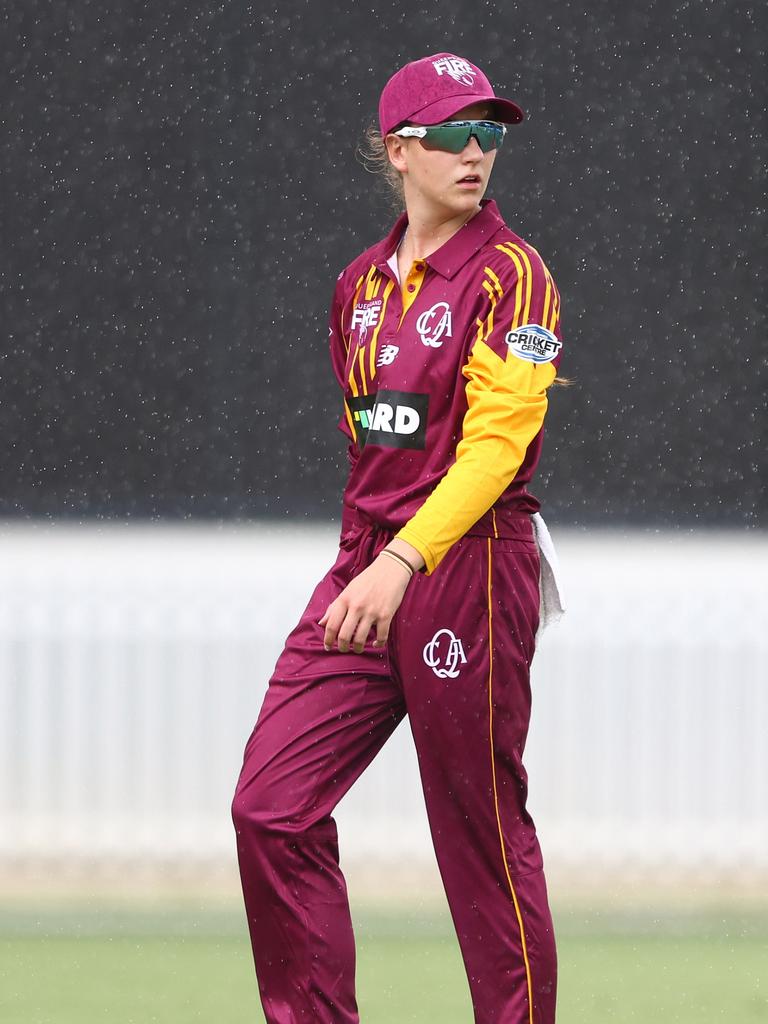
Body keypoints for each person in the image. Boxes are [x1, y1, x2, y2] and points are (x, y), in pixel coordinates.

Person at [232, 52, 564, 1024]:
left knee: (480, 837)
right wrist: (370, 559)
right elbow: (374, 440)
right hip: (366, 560)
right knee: (272, 805)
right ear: (401, 151)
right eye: (457, 134)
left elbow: (495, 451)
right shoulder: (357, 287)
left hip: (467, 568)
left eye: (491, 134)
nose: (477, 154)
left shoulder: (515, 276)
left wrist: (402, 559)